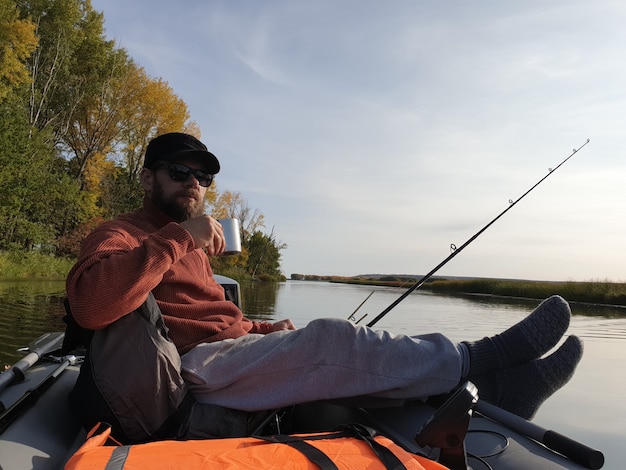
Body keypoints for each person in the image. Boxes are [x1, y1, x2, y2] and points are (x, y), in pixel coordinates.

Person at [65, 132, 583, 430]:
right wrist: (181, 237)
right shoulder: (122, 234)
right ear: (147, 176)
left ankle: (489, 392)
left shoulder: (190, 249)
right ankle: (482, 358)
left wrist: (266, 331)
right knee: (332, 339)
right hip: (187, 371)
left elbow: (220, 320)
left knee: (333, 355)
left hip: (228, 352)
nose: (195, 186)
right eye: (181, 172)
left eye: (203, 179)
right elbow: (91, 305)